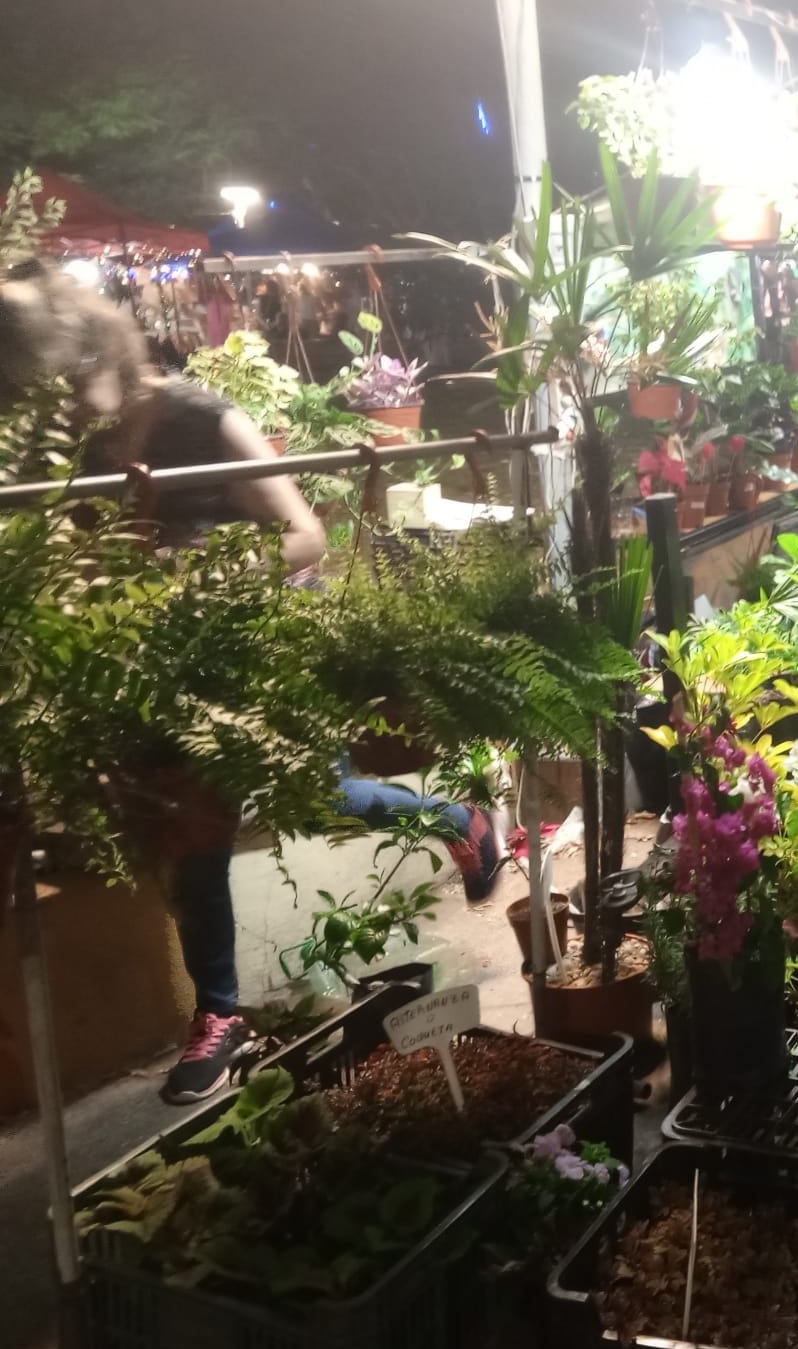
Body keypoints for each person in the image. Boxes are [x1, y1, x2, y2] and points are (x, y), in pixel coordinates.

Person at [0, 266, 503, 1105]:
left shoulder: (199, 415)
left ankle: (462, 820)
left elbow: (304, 535)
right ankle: (222, 1015)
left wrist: (189, 572)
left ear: (98, 356)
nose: (51, 412)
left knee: (323, 791)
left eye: (59, 388)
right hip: (162, 663)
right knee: (190, 833)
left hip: (263, 642)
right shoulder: (77, 444)